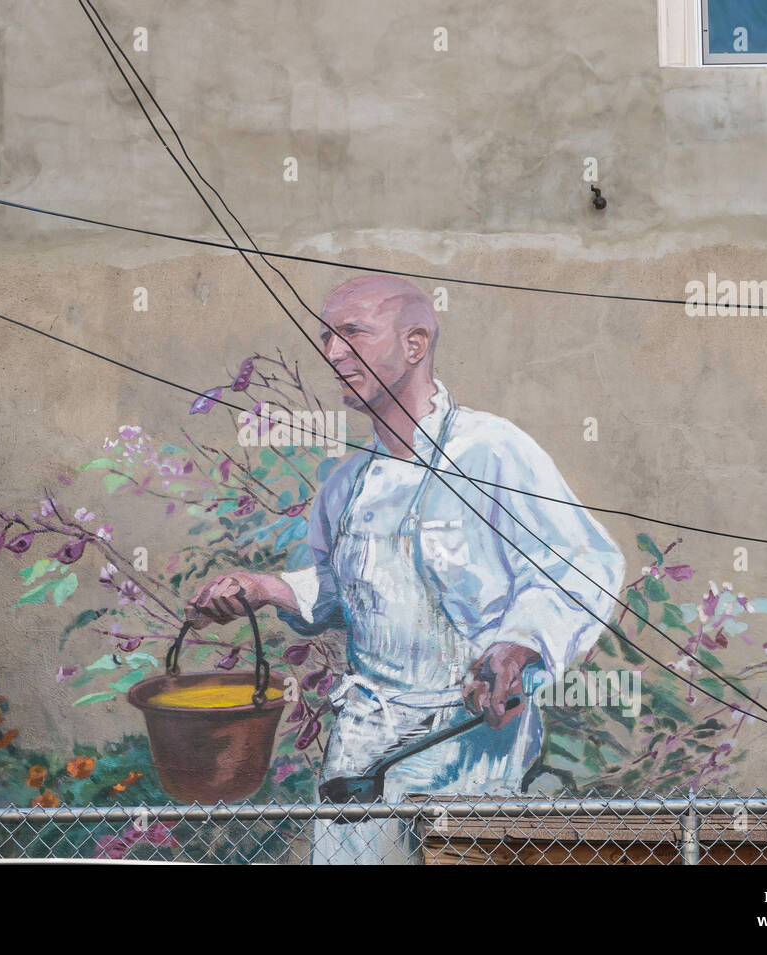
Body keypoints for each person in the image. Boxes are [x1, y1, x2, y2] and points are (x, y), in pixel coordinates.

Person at [187, 274, 625, 863]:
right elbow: (342, 591)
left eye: (352, 334)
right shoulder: (346, 485)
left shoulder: (492, 450)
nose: (334, 354)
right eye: (326, 339)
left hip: (470, 734)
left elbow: (582, 564)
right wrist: (267, 588)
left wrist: (518, 646)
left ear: (415, 345)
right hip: (366, 742)